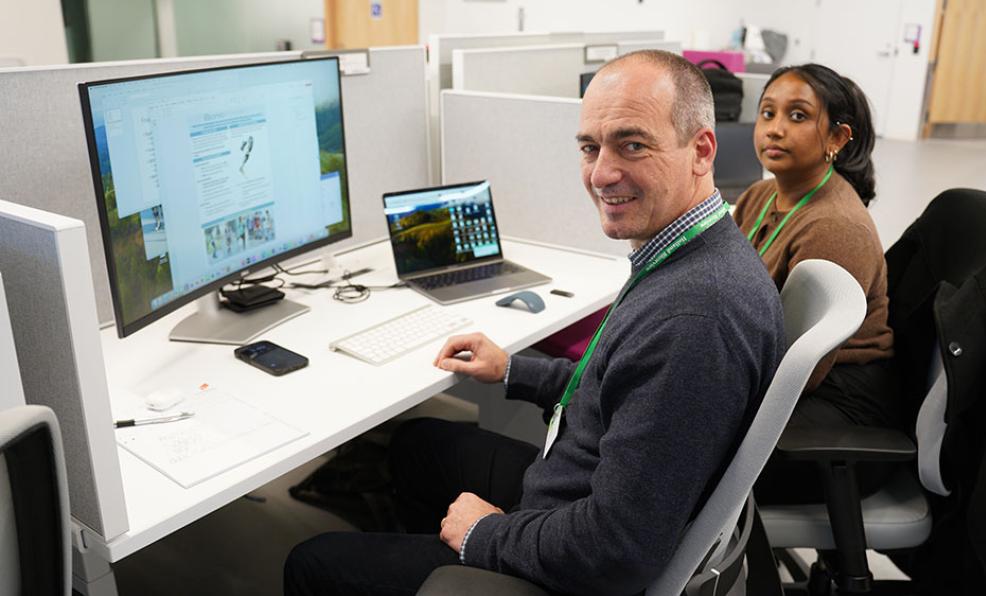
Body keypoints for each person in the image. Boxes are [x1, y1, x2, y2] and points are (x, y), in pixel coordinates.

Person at [284, 50, 785, 596]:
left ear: (701, 149)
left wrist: (486, 536)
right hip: (580, 480)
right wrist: (511, 370)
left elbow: (616, 551)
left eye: (632, 144)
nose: (601, 173)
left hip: (579, 539)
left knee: (311, 561)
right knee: (417, 444)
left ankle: (453, 572)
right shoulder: (691, 250)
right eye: (590, 147)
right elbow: (612, 384)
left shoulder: (695, 318)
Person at [731, 64, 899, 504]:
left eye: (798, 116)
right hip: (783, 375)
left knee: (675, 445)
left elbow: (797, 369)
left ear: (837, 140)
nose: (776, 129)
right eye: (768, 113)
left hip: (834, 415)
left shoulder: (834, 227)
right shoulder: (759, 195)